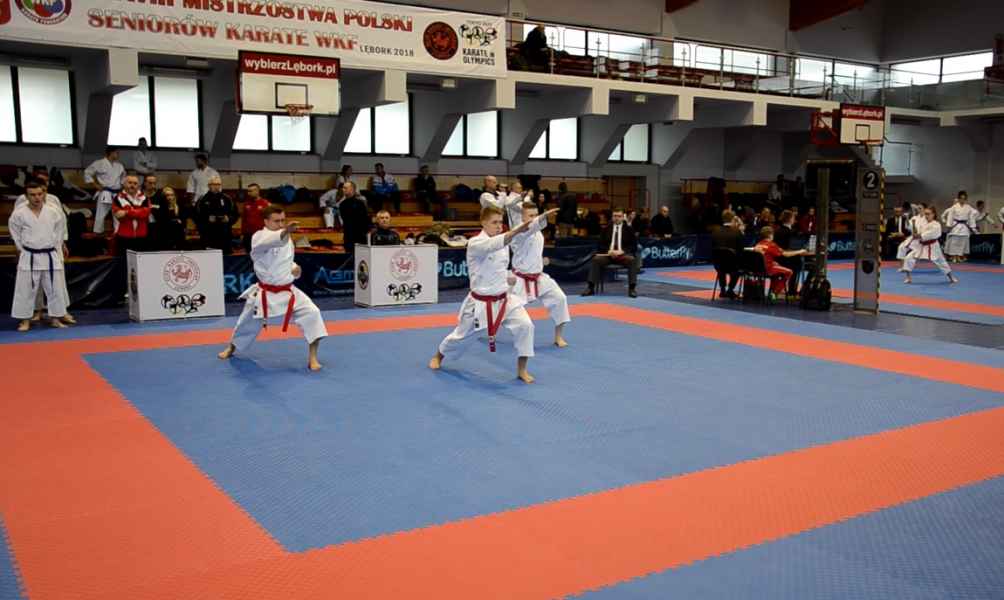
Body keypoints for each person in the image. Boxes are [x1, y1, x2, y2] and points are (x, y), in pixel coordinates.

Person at [429, 205, 539, 383]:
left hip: (504, 299)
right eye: (494, 222)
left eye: (500, 222)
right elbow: (495, 244)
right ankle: (439, 356)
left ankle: (522, 369)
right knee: (461, 337)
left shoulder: (503, 245)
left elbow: (498, 266)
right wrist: (519, 228)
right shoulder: (476, 243)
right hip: (480, 302)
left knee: (526, 326)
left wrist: (508, 276)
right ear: (483, 223)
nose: (498, 226)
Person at [218, 206, 327, 371]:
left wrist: (295, 269)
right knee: (245, 323)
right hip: (265, 292)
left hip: (288, 290)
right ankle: (231, 348)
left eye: (283, 220)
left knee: (313, 313)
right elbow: (271, 241)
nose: (281, 224)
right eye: (277, 221)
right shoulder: (258, 237)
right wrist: (286, 231)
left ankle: (313, 358)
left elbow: (286, 260)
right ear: (266, 221)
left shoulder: (287, 238)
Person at [506, 198, 568, 346]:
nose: (533, 218)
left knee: (560, 299)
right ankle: (492, 331)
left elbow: (531, 250)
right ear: (523, 217)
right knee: (506, 309)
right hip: (520, 279)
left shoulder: (538, 233)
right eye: (530, 216)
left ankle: (558, 337)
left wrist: (541, 261)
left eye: (535, 215)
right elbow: (531, 227)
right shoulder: (518, 232)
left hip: (539, 278)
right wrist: (543, 216)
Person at [9, 181, 68, 332]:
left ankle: (56, 319)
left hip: (50, 254)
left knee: (55, 289)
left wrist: (55, 248)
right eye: (33, 195)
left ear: (44, 194)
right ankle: (25, 321)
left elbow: (59, 233)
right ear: (26, 196)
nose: (37, 197)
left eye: (40, 194)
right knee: (25, 290)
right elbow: (15, 235)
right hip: (29, 255)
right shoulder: (19, 213)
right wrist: (22, 249)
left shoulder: (53, 212)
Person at [582, 207, 639, 298]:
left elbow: (634, 246)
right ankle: (590, 287)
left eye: (619, 216)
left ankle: (632, 289)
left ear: (623, 217)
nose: (617, 218)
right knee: (596, 260)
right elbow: (600, 245)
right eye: (615, 216)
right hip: (608, 255)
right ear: (612, 217)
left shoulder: (629, 229)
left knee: (632, 260)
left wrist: (622, 251)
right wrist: (608, 251)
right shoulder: (605, 229)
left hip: (623, 255)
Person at [903, 206, 958, 284]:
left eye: (928, 214)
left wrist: (918, 235)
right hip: (921, 246)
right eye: (925, 214)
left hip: (933, 246)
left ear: (933, 214)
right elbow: (915, 231)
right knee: (908, 258)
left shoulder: (936, 225)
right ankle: (908, 278)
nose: (926, 216)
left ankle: (951, 277)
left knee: (941, 261)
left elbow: (926, 235)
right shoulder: (923, 223)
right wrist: (913, 225)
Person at [754, 226, 809, 300]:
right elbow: (786, 254)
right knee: (789, 272)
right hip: (768, 269)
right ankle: (775, 293)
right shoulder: (771, 245)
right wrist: (800, 251)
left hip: (758, 269)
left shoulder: (758, 244)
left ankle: (772, 291)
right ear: (770, 235)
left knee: (777, 269)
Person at [83, 146, 126, 234]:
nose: (118, 155)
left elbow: (123, 178)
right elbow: (87, 172)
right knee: (101, 214)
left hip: (117, 193)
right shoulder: (99, 163)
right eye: (117, 153)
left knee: (117, 214)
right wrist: (95, 185)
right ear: (111, 153)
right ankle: (98, 233)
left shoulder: (120, 166)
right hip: (105, 192)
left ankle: (118, 233)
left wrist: (122, 186)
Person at [195, 176, 238, 254]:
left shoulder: (227, 199)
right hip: (208, 236)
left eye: (218, 184)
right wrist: (207, 219)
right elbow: (196, 217)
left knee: (226, 258)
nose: (216, 187)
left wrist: (229, 219)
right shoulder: (202, 200)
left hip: (225, 236)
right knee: (210, 258)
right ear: (209, 185)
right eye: (214, 184)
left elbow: (235, 214)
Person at [113, 174, 150, 255]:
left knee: (140, 261)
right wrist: (138, 211)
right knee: (123, 260)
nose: (132, 185)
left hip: (141, 236)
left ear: (138, 185)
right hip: (123, 236)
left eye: (135, 183)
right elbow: (118, 215)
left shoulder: (145, 198)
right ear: (124, 184)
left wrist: (127, 212)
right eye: (130, 183)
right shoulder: (117, 198)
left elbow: (145, 214)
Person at [711, 209, 745, 299]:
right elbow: (741, 250)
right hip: (733, 265)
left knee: (722, 263)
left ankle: (722, 289)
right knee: (738, 266)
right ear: (733, 219)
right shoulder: (737, 232)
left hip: (718, 264)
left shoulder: (715, 231)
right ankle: (730, 289)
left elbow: (712, 247)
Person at [942, 191, 979, 263]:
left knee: (962, 242)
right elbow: (950, 216)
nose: (962, 200)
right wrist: (949, 225)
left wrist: (972, 226)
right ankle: (953, 256)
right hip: (955, 226)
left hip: (964, 226)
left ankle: (959, 256)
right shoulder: (954, 207)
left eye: (964, 199)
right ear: (958, 199)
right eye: (961, 198)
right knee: (954, 242)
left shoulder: (968, 207)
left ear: (966, 199)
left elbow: (974, 214)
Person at [773, 209, 802, 296]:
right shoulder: (791, 232)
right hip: (786, 260)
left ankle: (788, 289)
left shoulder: (777, 230)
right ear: (789, 219)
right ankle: (792, 290)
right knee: (797, 263)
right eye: (793, 218)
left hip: (777, 259)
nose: (794, 220)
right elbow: (791, 249)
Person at [338, 181, 370, 254]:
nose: (343, 189)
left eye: (345, 188)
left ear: (352, 189)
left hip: (360, 236)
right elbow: (345, 220)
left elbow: (365, 219)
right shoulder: (342, 204)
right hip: (348, 236)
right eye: (343, 188)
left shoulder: (360, 203)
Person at [240, 183, 269, 253]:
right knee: (248, 254)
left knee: (261, 254)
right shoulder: (246, 204)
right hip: (248, 235)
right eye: (248, 191)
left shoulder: (265, 204)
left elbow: (269, 220)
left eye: (251, 191)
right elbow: (244, 219)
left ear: (257, 191)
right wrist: (242, 233)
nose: (249, 193)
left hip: (261, 235)